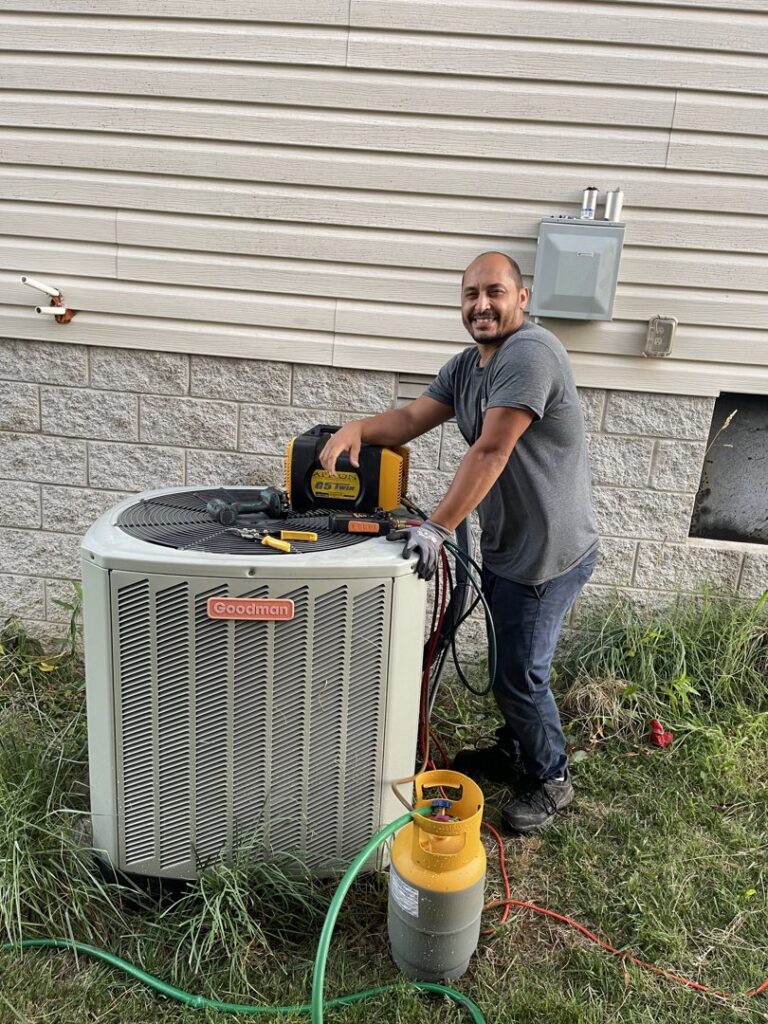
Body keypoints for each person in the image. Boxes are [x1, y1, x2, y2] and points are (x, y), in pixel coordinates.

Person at [319, 251, 598, 833]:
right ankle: (516, 748)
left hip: (547, 551)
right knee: (506, 660)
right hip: (509, 542)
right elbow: (412, 419)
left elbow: (492, 449)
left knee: (519, 672)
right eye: (471, 295)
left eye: (494, 292)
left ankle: (551, 777)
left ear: (522, 298)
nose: (481, 305)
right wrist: (356, 429)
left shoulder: (531, 354)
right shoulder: (468, 366)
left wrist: (438, 527)